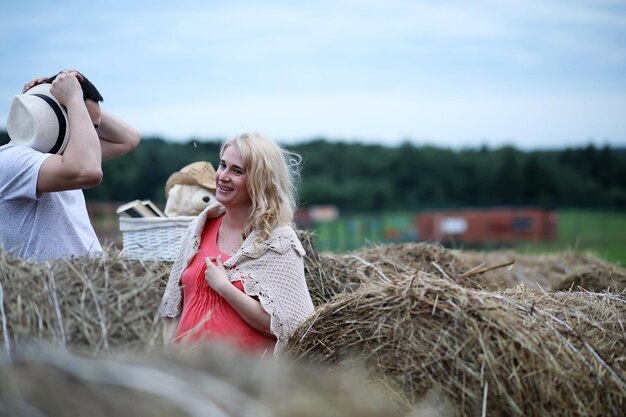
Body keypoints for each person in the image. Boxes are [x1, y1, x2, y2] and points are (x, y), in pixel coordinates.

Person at [160, 133, 315, 355]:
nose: (223, 176)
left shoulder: (278, 240)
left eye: (237, 171)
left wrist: (225, 288)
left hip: (244, 380)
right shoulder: (199, 227)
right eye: (223, 165)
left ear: (260, 181)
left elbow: (289, 326)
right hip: (189, 374)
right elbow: (173, 309)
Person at [0, 70, 140, 262]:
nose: (89, 132)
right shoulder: (10, 160)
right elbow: (88, 171)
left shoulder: (64, 155)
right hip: (50, 287)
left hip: (82, 283)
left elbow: (128, 139)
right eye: (83, 122)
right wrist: (73, 100)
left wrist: (61, 94)